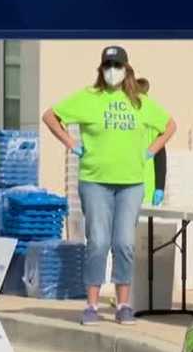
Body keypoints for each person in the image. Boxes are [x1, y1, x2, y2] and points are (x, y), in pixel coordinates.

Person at [42, 45, 176, 326]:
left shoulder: (139, 101)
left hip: (131, 183)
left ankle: (123, 304)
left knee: (124, 243)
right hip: (95, 181)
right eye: (107, 65)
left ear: (127, 69)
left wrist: (151, 151)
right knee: (99, 242)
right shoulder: (88, 98)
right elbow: (50, 116)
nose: (112, 71)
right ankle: (91, 305)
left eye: (117, 65)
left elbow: (169, 125)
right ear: (101, 70)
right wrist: (71, 143)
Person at [135, 77, 167, 206]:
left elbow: (160, 154)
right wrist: (160, 186)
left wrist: (159, 187)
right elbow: (161, 157)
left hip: (134, 185)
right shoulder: (155, 114)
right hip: (148, 186)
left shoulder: (149, 113)